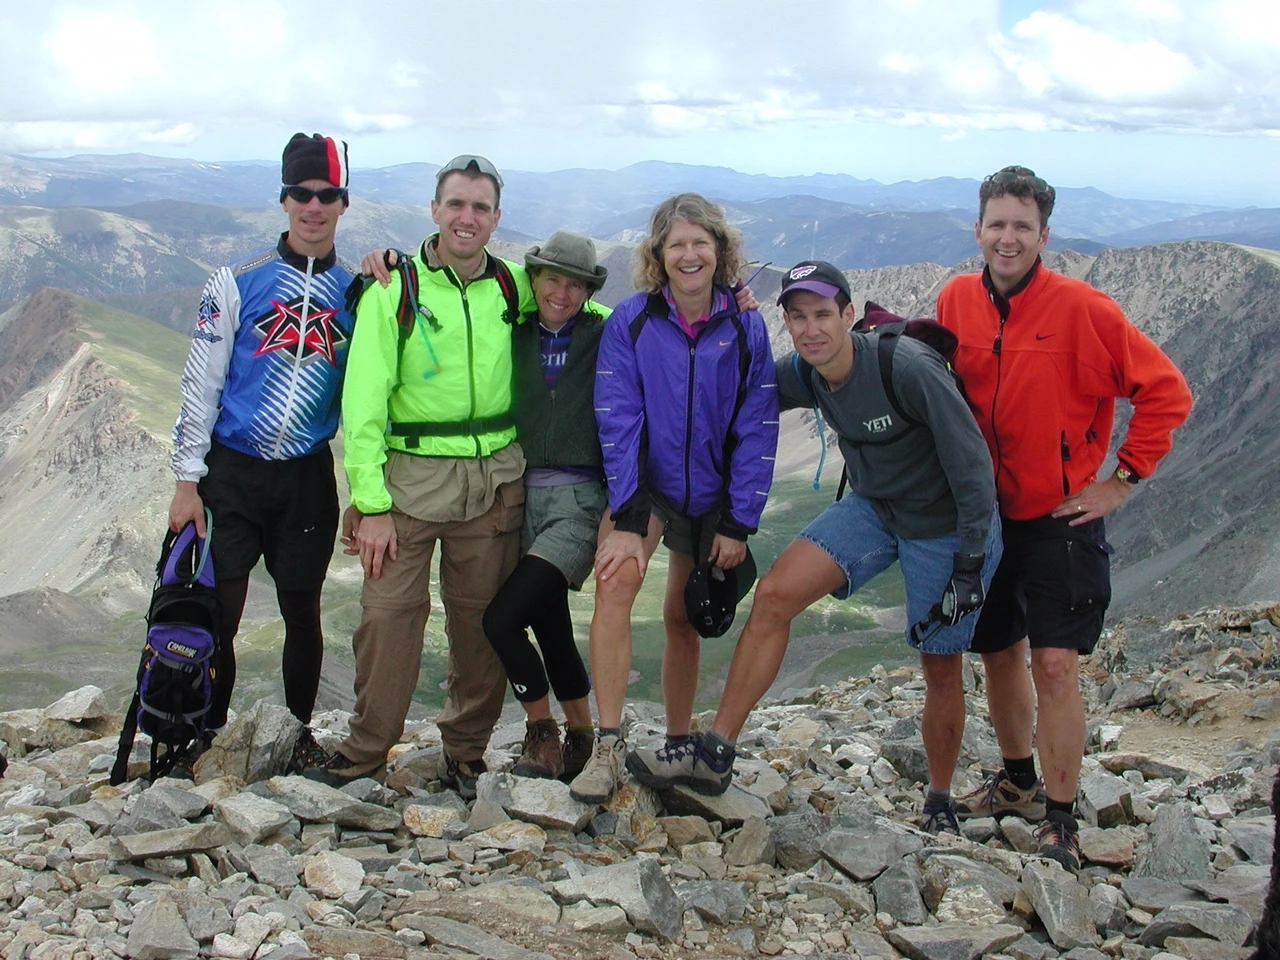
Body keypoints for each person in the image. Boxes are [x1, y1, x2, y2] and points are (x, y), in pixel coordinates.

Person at [638, 261, 1001, 834]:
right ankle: (716, 754)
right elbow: (738, 388)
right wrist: (729, 310)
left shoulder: (905, 368)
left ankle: (938, 798)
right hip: (875, 507)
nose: (811, 329)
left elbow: (973, 464)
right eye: (797, 316)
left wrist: (971, 559)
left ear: (849, 315)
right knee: (775, 594)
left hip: (945, 523)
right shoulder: (807, 373)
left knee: (938, 663)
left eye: (823, 315)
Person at [936, 165, 1192, 869]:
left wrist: (1122, 480)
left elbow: (1167, 393)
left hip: (1061, 516)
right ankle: (1017, 782)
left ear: (1044, 234)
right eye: (997, 225)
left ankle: (1060, 815)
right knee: (997, 653)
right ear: (978, 230)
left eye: (1023, 226)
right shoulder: (957, 299)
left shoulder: (1084, 309)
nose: (1008, 238)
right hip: (987, 518)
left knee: (1053, 663)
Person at [298, 155, 532, 798]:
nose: (467, 218)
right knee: (389, 617)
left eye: (480, 207)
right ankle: (367, 750)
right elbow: (363, 402)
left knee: (481, 622)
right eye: (456, 204)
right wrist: (369, 502)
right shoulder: (393, 289)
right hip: (407, 481)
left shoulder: (515, 285)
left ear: (496, 219)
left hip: (492, 482)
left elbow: (584, 313)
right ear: (434, 211)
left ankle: (466, 752)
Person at [569, 193, 779, 805]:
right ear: (659, 253)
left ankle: (681, 742)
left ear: (720, 250)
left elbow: (757, 425)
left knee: (681, 617)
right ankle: (608, 746)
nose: (689, 255)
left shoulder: (744, 325)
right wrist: (630, 520)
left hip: (712, 495)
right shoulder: (632, 322)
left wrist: (738, 521)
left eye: (700, 243)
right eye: (676, 243)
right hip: (651, 488)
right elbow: (618, 419)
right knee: (615, 583)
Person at [169, 133, 353, 771]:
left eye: (327, 195)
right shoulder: (237, 282)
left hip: (306, 476)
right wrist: (187, 481)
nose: (314, 206)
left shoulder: (358, 295)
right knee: (219, 613)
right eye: (302, 194)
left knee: (303, 613)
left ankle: (299, 734)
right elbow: (203, 381)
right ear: (284, 200)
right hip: (232, 473)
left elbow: (364, 400)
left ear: (343, 204)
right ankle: (207, 732)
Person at [481, 231, 610, 780]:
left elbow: (669, 312)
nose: (562, 291)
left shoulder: (609, 335)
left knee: (502, 620)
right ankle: (582, 737)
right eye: (552, 278)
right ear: (533, 280)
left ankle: (542, 734)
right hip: (522, 494)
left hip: (580, 500)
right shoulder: (511, 334)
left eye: (575, 283)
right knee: (551, 621)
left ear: (588, 291)